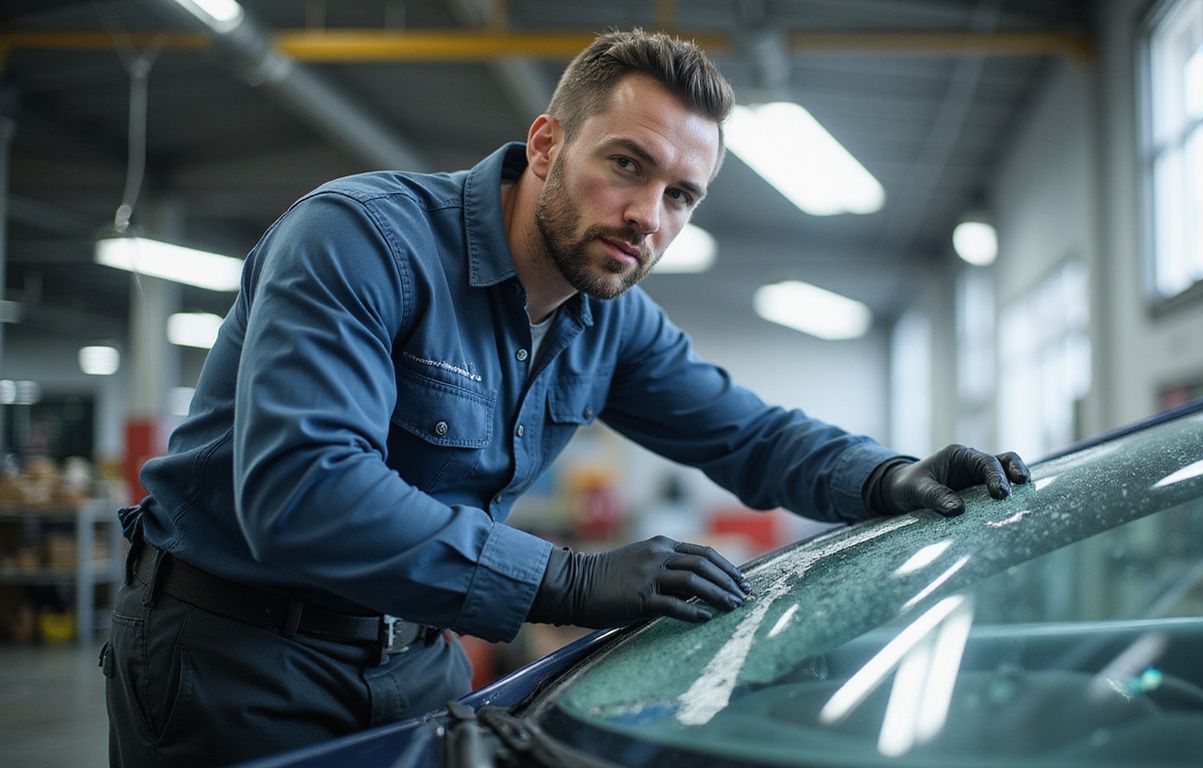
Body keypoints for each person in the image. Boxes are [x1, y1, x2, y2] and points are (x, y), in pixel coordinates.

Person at [103, 28, 1029, 767]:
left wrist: (890, 475)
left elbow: (750, 434)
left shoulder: (608, 317)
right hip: (230, 659)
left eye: (681, 196)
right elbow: (302, 490)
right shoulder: (360, 240)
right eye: (628, 165)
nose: (648, 217)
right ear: (547, 144)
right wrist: (567, 579)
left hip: (416, 660)